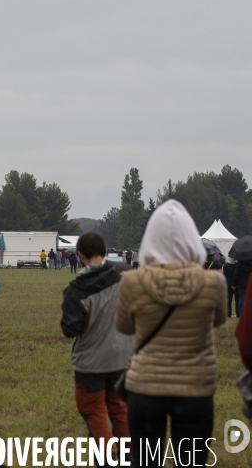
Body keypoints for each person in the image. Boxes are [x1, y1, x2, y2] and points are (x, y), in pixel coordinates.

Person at [115, 200, 227, 468]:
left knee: (144, 462)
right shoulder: (213, 282)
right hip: (195, 387)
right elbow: (219, 320)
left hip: (145, 387)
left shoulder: (133, 281)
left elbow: (125, 327)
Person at [61, 232, 133, 466]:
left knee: (94, 413)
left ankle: (105, 460)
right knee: (120, 410)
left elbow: (70, 328)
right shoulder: (125, 273)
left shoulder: (76, 288)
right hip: (122, 356)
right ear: (104, 251)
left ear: (80, 255)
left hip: (90, 362)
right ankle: (129, 458)